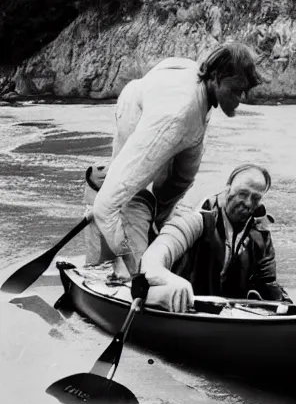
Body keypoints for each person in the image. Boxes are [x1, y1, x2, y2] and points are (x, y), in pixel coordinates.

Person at [83, 42, 264, 276]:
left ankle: (148, 222)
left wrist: (161, 227)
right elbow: (105, 208)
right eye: (236, 91)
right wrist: (131, 264)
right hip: (136, 114)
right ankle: (99, 185)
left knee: (179, 181)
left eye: (244, 92)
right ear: (216, 77)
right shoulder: (174, 118)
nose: (241, 99)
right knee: (128, 204)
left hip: (170, 109)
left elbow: (178, 182)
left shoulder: (203, 91)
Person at [140, 164, 292, 312]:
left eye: (256, 198)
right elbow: (154, 256)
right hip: (184, 308)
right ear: (228, 188)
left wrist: (290, 308)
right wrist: (168, 279)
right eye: (243, 194)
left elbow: (268, 284)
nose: (247, 203)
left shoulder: (260, 237)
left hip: (230, 317)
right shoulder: (196, 220)